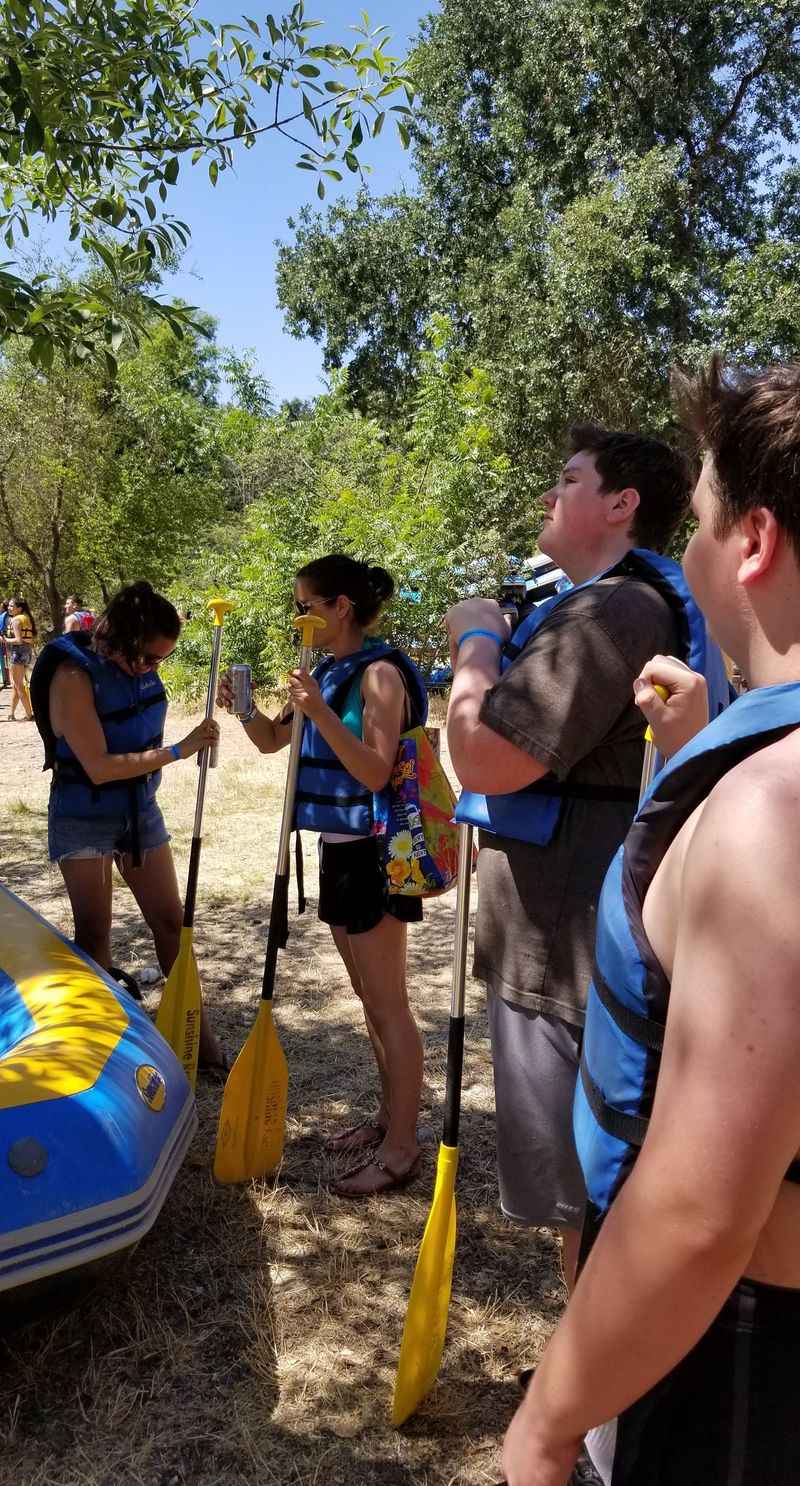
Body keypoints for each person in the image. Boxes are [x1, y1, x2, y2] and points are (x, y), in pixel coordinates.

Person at [502, 358, 800, 1486]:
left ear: (753, 542)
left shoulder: (768, 815)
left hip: (732, 1353)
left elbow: (697, 1212)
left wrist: (544, 1422)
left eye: (704, 517)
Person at [445, 428, 729, 1287]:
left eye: (568, 480)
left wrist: (475, 643)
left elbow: (485, 757)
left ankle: (599, 1408)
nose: (548, 495)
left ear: (621, 503)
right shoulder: (603, 602)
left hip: (565, 951)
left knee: (590, 1193)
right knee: (586, 1193)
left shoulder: (615, 609)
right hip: (559, 936)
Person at [218, 554, 428, 1196]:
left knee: (389, 1002)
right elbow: (271, 742)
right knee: (369, 996)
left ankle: (403, 1147)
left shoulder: (381, 673)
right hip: (339, 852)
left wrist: (320, 708)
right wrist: (247, 706)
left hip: (376, 852)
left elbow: (372, 768)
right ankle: (387, 1118)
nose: (298, 616)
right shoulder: (323, 670)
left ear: (341, 608)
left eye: (307, 604)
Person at [30, 580, 226, 1070]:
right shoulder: (73, 677)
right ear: (120, 637)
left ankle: (198, 1039)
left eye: (162, 660)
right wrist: (179, 750)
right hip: (83, 817)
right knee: (94, 931)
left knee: (170, 923)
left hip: (138, 810)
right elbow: (98, 766)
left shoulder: (136, 665)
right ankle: (103, 1054)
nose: (152, 669)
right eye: (149, 659)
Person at [6, 595, 36, 720]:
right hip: (26, 652)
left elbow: (18, 640)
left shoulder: (16, 620)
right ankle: (11, 713)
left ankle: (29, 714)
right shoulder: (26, 618)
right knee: (16, 685)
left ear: (19, 608)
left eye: (12, 606)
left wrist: (5, 640)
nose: (9, 608)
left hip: (18, 653)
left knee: (18, 685)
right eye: (9, 605)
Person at [0, 598, 10, 689]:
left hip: (4, 639)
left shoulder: (4, 615)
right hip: (5, 639)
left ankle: (5, 680)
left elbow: (2, 629)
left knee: (4, 659)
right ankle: (6, 680)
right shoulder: (7, 615)